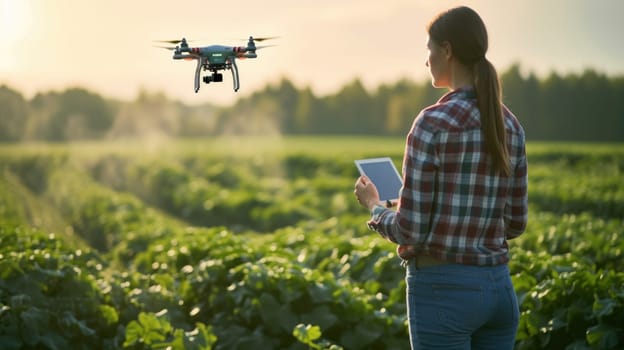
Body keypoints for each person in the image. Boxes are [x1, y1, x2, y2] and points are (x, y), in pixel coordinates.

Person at [353, 6, 528, 350]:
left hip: (443, 292)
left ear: (447, 50)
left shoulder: (432, 122)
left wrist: (375, 207)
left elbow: (410, 230)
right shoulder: (511, 125)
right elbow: (516, 223)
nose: (426, 59)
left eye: (429, 49)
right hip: (499, 291)